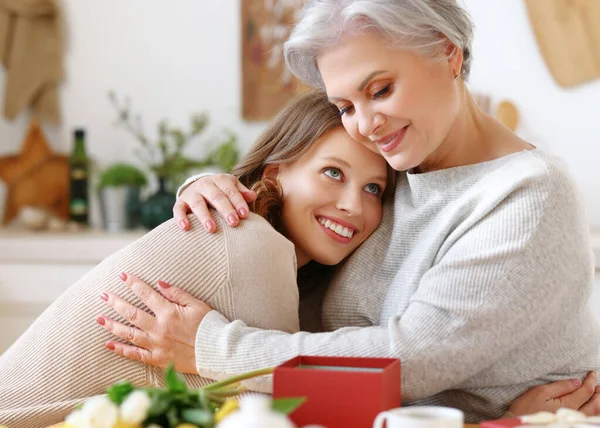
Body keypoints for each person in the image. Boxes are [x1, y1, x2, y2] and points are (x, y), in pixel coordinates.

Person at [108, 0, 600, 423]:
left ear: (448, 53)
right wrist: (213, 185)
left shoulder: (527, 196)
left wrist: (213, 347)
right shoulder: (395, 167)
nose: (365, 124)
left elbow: (411, 360)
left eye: (381, 89)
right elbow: (296, 189)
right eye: (345, 105)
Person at [0, 90, 394, 428]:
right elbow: (266, 417)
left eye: (373, 188)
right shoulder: (254, 243)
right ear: (277, 172)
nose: (352, 206)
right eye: (333, 173)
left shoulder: (276, 257)